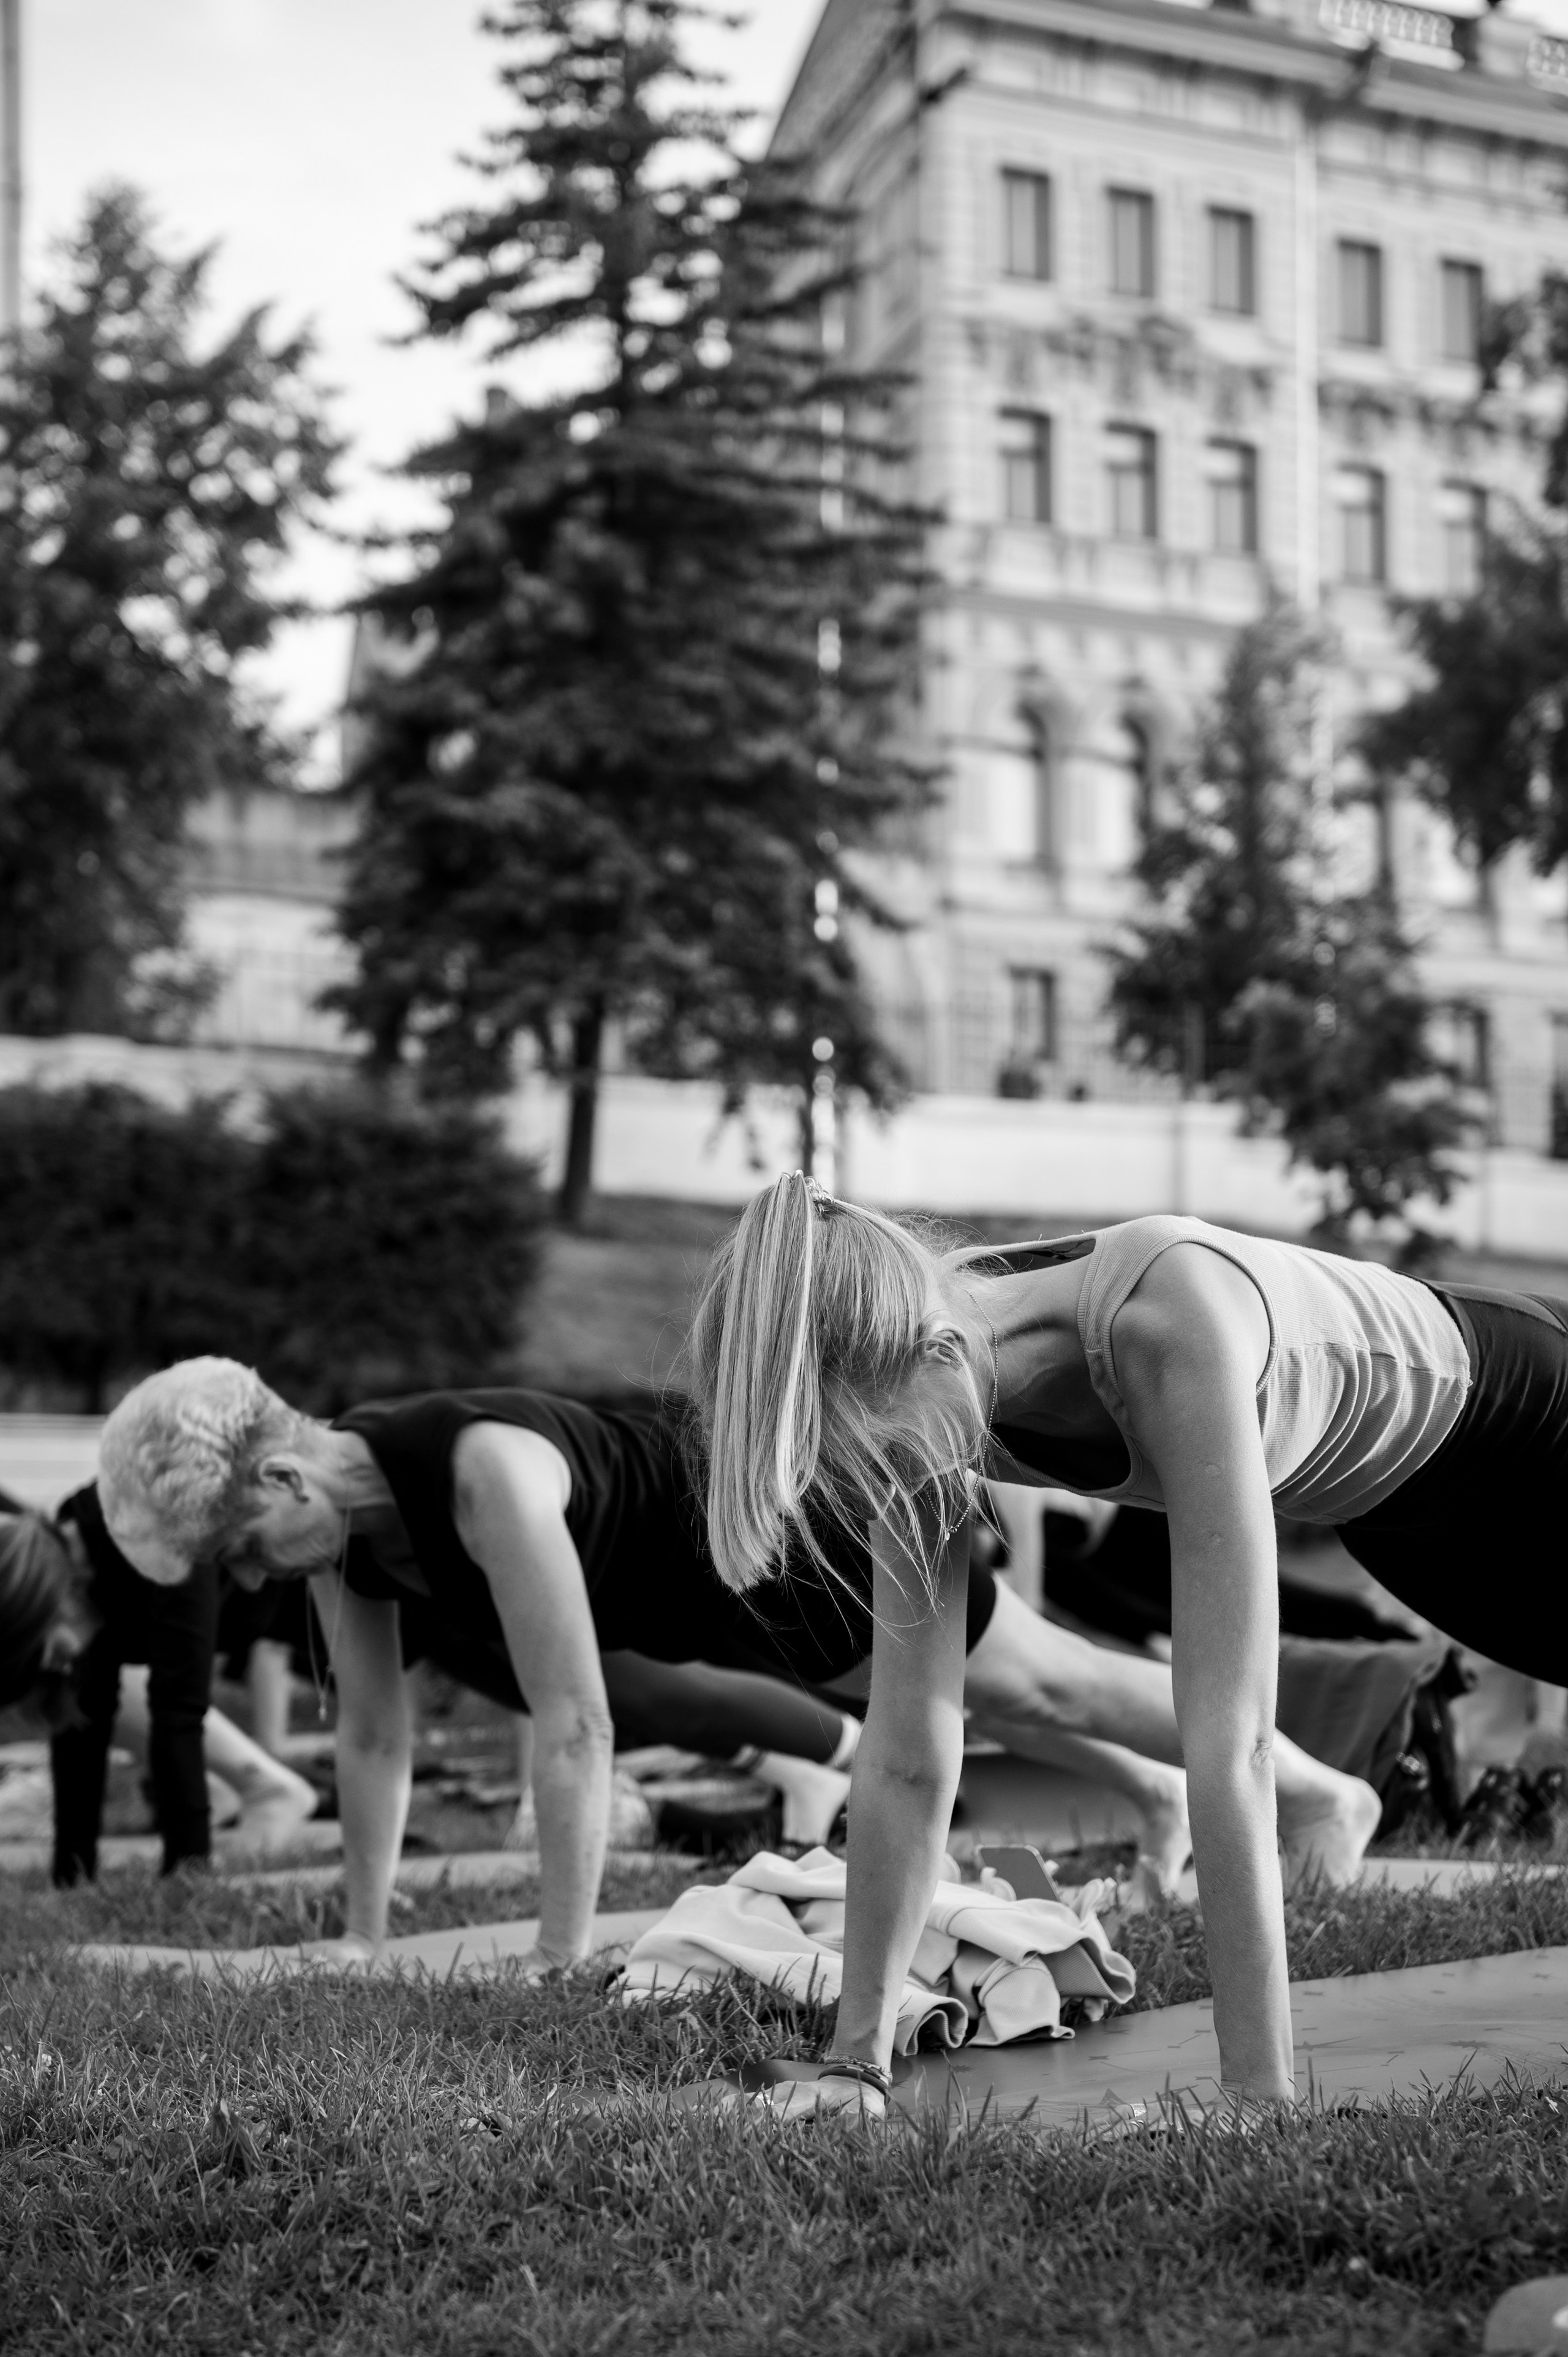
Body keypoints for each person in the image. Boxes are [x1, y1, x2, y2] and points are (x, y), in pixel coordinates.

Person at [687, 1182, 1568, 2116]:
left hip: (1533, 1422)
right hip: (1396, 1518)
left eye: (884, 1461)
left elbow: (1233, 1740)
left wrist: (1254, 2098)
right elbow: (908, 1751)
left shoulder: (1164, 1322)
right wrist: (856, 2066)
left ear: (939, 1353)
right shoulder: (922, 1369)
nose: (890, 1490)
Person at [92, 1359, 1376, 1975]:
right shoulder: (345, 1538)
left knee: (1035, 1680)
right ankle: (1159, 1799)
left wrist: (557, 1954)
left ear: (281, 1476)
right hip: (724, 1597)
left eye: (240, 1553)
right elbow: (373, 1739)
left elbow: (576, 1725)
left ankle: (1320, 1791)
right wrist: (363, 1939)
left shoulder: (482, 1472)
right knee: (975, 1692)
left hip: (792, 1528)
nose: (247, 1584)